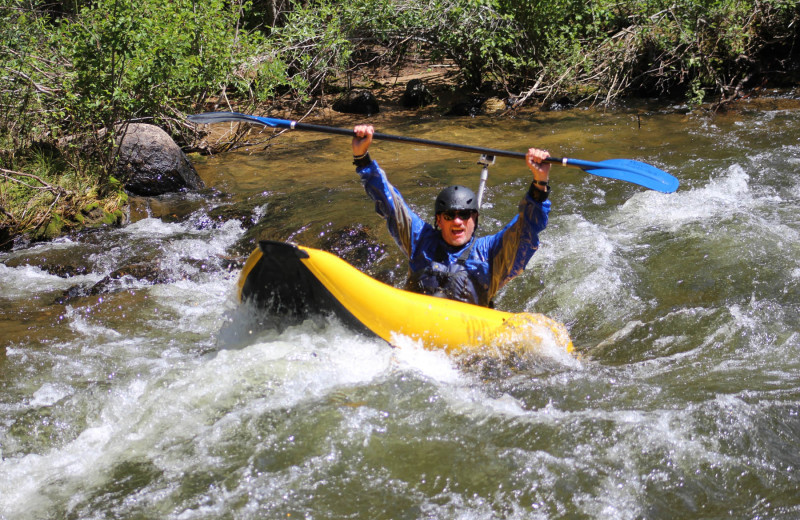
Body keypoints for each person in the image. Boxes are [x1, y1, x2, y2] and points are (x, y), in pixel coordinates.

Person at [352, 124, 551, 307]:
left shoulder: (491, 254)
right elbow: (391, 204)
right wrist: (362, 158)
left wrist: (539, 183)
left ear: (475, 219)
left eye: (464, 215)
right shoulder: (420, 240)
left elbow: (527, 228)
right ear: (438, 220)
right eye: (449, 215)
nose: (457, 221)